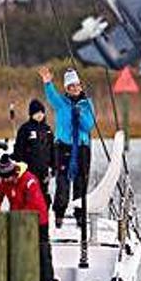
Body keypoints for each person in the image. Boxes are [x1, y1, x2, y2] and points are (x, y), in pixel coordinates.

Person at [0, 154, 58, 281]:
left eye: (8, 177)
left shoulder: (29, 180)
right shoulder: (4, 181)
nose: (5, 181)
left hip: (38, 220)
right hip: (18, 220)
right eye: (3, 178)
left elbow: (32, 204)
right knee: (18, 251)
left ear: (14, 172)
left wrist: (18, 219)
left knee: (42, 251)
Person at [38, 65, 95, 229]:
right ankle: (59, 214)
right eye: (71, 87)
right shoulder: (62, 104)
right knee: (62, 185)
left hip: (82, 149)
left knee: (81, 185)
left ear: (81, 86)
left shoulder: (87, 105)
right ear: (67, 89)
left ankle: (80, 217)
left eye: (76, 86)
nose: (74, 89)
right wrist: (47, 82)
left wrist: (79, 114)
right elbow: (51, 95)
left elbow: (88, 126)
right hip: (63, 149)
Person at [13, 99, 55, 207]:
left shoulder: (47, 130)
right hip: (30, 169)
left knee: (43, 193)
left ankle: (44, 215)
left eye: (41, 112)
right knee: (30, 192)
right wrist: (20, 164)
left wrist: (54, 166)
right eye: (37, 113)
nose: (39, 115)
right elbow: (19, 149)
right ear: (31, 114)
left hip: (44, 169)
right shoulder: (25, 129)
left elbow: (52, 149)